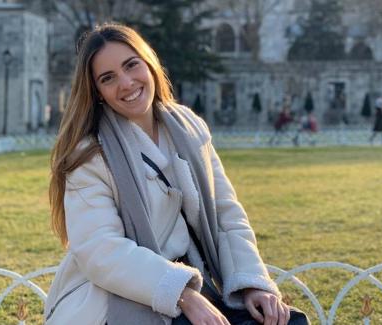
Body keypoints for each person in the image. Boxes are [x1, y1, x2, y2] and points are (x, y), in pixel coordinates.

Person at [45, 23, 309, 325]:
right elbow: (100, 250)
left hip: (195, 285)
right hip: (122, 295)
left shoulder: (189, 126)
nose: (127, 83)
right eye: (108, 78)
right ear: (98, 93)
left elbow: (227, 215)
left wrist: (251, 284)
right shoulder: (90, 155)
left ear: (149, 63)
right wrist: (181, 293)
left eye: (132, 65)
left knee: (286, 321)